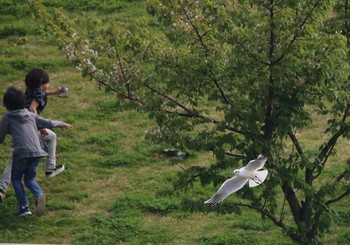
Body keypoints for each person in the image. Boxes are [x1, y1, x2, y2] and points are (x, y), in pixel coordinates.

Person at [0, 87, 72, 216]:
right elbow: (47, 122)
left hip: (21, 153)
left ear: (6, 105)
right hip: (38, 152)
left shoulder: (8, 118)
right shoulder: (31, 115)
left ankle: (24, 207)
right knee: (29, 179)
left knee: (16, 178)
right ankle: (39, 194)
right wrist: (61, 123)